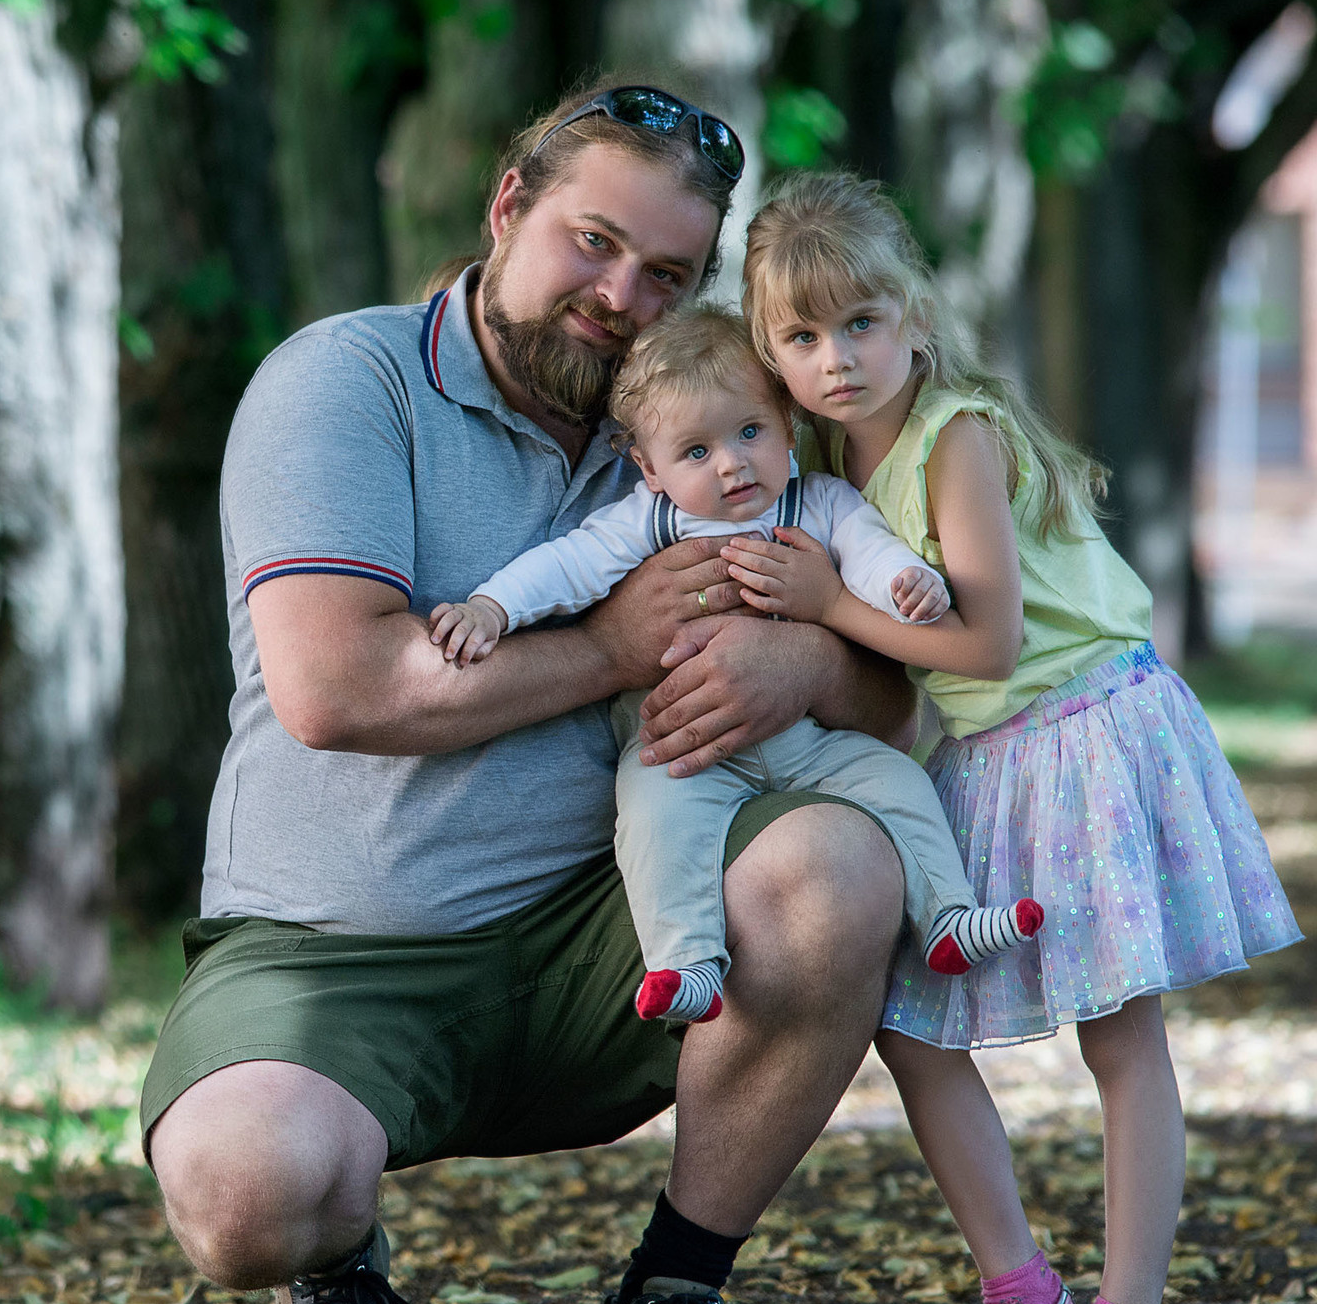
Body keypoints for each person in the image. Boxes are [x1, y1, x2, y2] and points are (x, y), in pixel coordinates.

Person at [139, 85, 919, 1304]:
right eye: (592, 242)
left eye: (665, 272)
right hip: (339, 950)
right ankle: (334, 1268)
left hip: (614, 930)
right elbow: (337, 687)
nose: (620, 295)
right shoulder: (346, 380)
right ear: (509, 206)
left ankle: (671, 1299)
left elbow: (899, 702)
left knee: (839, 863)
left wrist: (811, 665)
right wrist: (614, 645)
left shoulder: (711, 421)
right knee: (244, 1195)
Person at [724, 171, 1303, 1304]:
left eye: (862, 323)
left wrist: (828, 606)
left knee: (1119, 1035)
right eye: (802, 337)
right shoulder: (825, 468)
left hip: (1085, 732)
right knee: (911, 1020)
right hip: (991, 756)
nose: (837, 359)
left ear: (916, 317)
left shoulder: (956, 438)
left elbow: (986, 646)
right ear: (769, 355)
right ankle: (1023, 1302)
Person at [425, 308, 1044, 1023]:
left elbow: (870, 553)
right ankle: (688, 963)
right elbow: (568, 564)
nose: (731, 463)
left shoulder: (818, 501)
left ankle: (949, 916)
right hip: (686, 747)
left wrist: (910, 583)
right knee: (652, 817)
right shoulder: (650, 521)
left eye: (750, 431)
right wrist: (492, 607)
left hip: (809, 740)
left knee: (898, 780)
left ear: (787, 423)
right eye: (695, 451)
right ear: (649, 468)